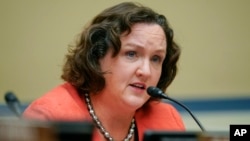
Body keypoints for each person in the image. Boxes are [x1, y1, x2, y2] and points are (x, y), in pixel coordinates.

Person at [22, 2, 185, 141]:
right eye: (131, 54)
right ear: (97, 56)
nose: (146, 71)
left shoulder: (166, 119)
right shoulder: (50, 118)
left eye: (156, 58)